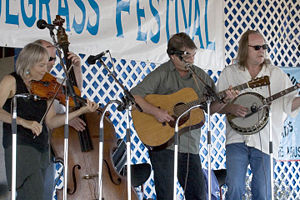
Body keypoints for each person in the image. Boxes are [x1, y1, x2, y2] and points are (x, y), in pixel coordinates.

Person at [130, 32, 238, 200]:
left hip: (190, 145)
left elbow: (211, 109)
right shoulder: (162, 73)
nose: (192, 60)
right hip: (163, 143)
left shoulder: (200, 77)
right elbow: (134, 96)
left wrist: (225, 100)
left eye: (193, 55)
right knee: (166, 195)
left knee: (198, 194)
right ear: (173, 56)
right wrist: (156, 112)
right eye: (187, 56)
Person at [0, 42, 98, 200]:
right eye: (41, 65)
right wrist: (23, 122)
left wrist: (81, 110)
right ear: (28, 62)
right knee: (33, 193)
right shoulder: (11, 81)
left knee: (45, 193)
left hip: (42, 145)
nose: (46, 70)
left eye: (47, 64)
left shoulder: (45, 86)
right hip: (20, 143)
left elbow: (51, 121)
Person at [217, 30, 300, 200]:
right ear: (244, 49)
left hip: (265, 141)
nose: (262, 50)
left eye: (264, 47)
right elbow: (217, 106)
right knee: (234, 187)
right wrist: (230, 108)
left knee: (263, 192)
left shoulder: (276, 74)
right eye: (257, 47)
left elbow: (289, 105)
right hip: (236, 139)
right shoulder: (230, 73)